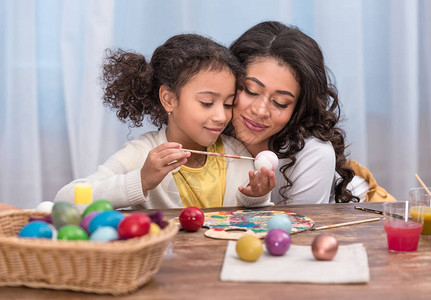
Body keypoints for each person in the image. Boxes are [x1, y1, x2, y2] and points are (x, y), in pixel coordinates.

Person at [54, 34, 275, 209]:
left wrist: (255, 197)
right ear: (169, 99)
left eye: (228, 104)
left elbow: (253, 218)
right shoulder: (142, 154)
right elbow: (66, 199)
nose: (221, 116)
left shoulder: (236, 153)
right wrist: (141, 180)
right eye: (207, 103)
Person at [226, 21, 395, 204]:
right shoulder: (212, 126)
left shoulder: (313, 152)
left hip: (368, 215)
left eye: (281, 103)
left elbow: (298, 229)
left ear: (298, 108)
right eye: (250, 90)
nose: (260, 110)